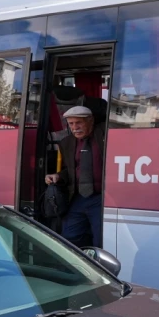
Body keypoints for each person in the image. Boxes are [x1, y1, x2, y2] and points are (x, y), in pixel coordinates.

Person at [45, 105, 104, 248]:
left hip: (101, 198)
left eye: (79, 123)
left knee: (100, 240)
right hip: (78, 197)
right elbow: (70, 169)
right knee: (70, 239)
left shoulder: (103, 135)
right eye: (71, 124)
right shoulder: (66, 143)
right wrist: (58, 176)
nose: (74, 127)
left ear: (90, 121)